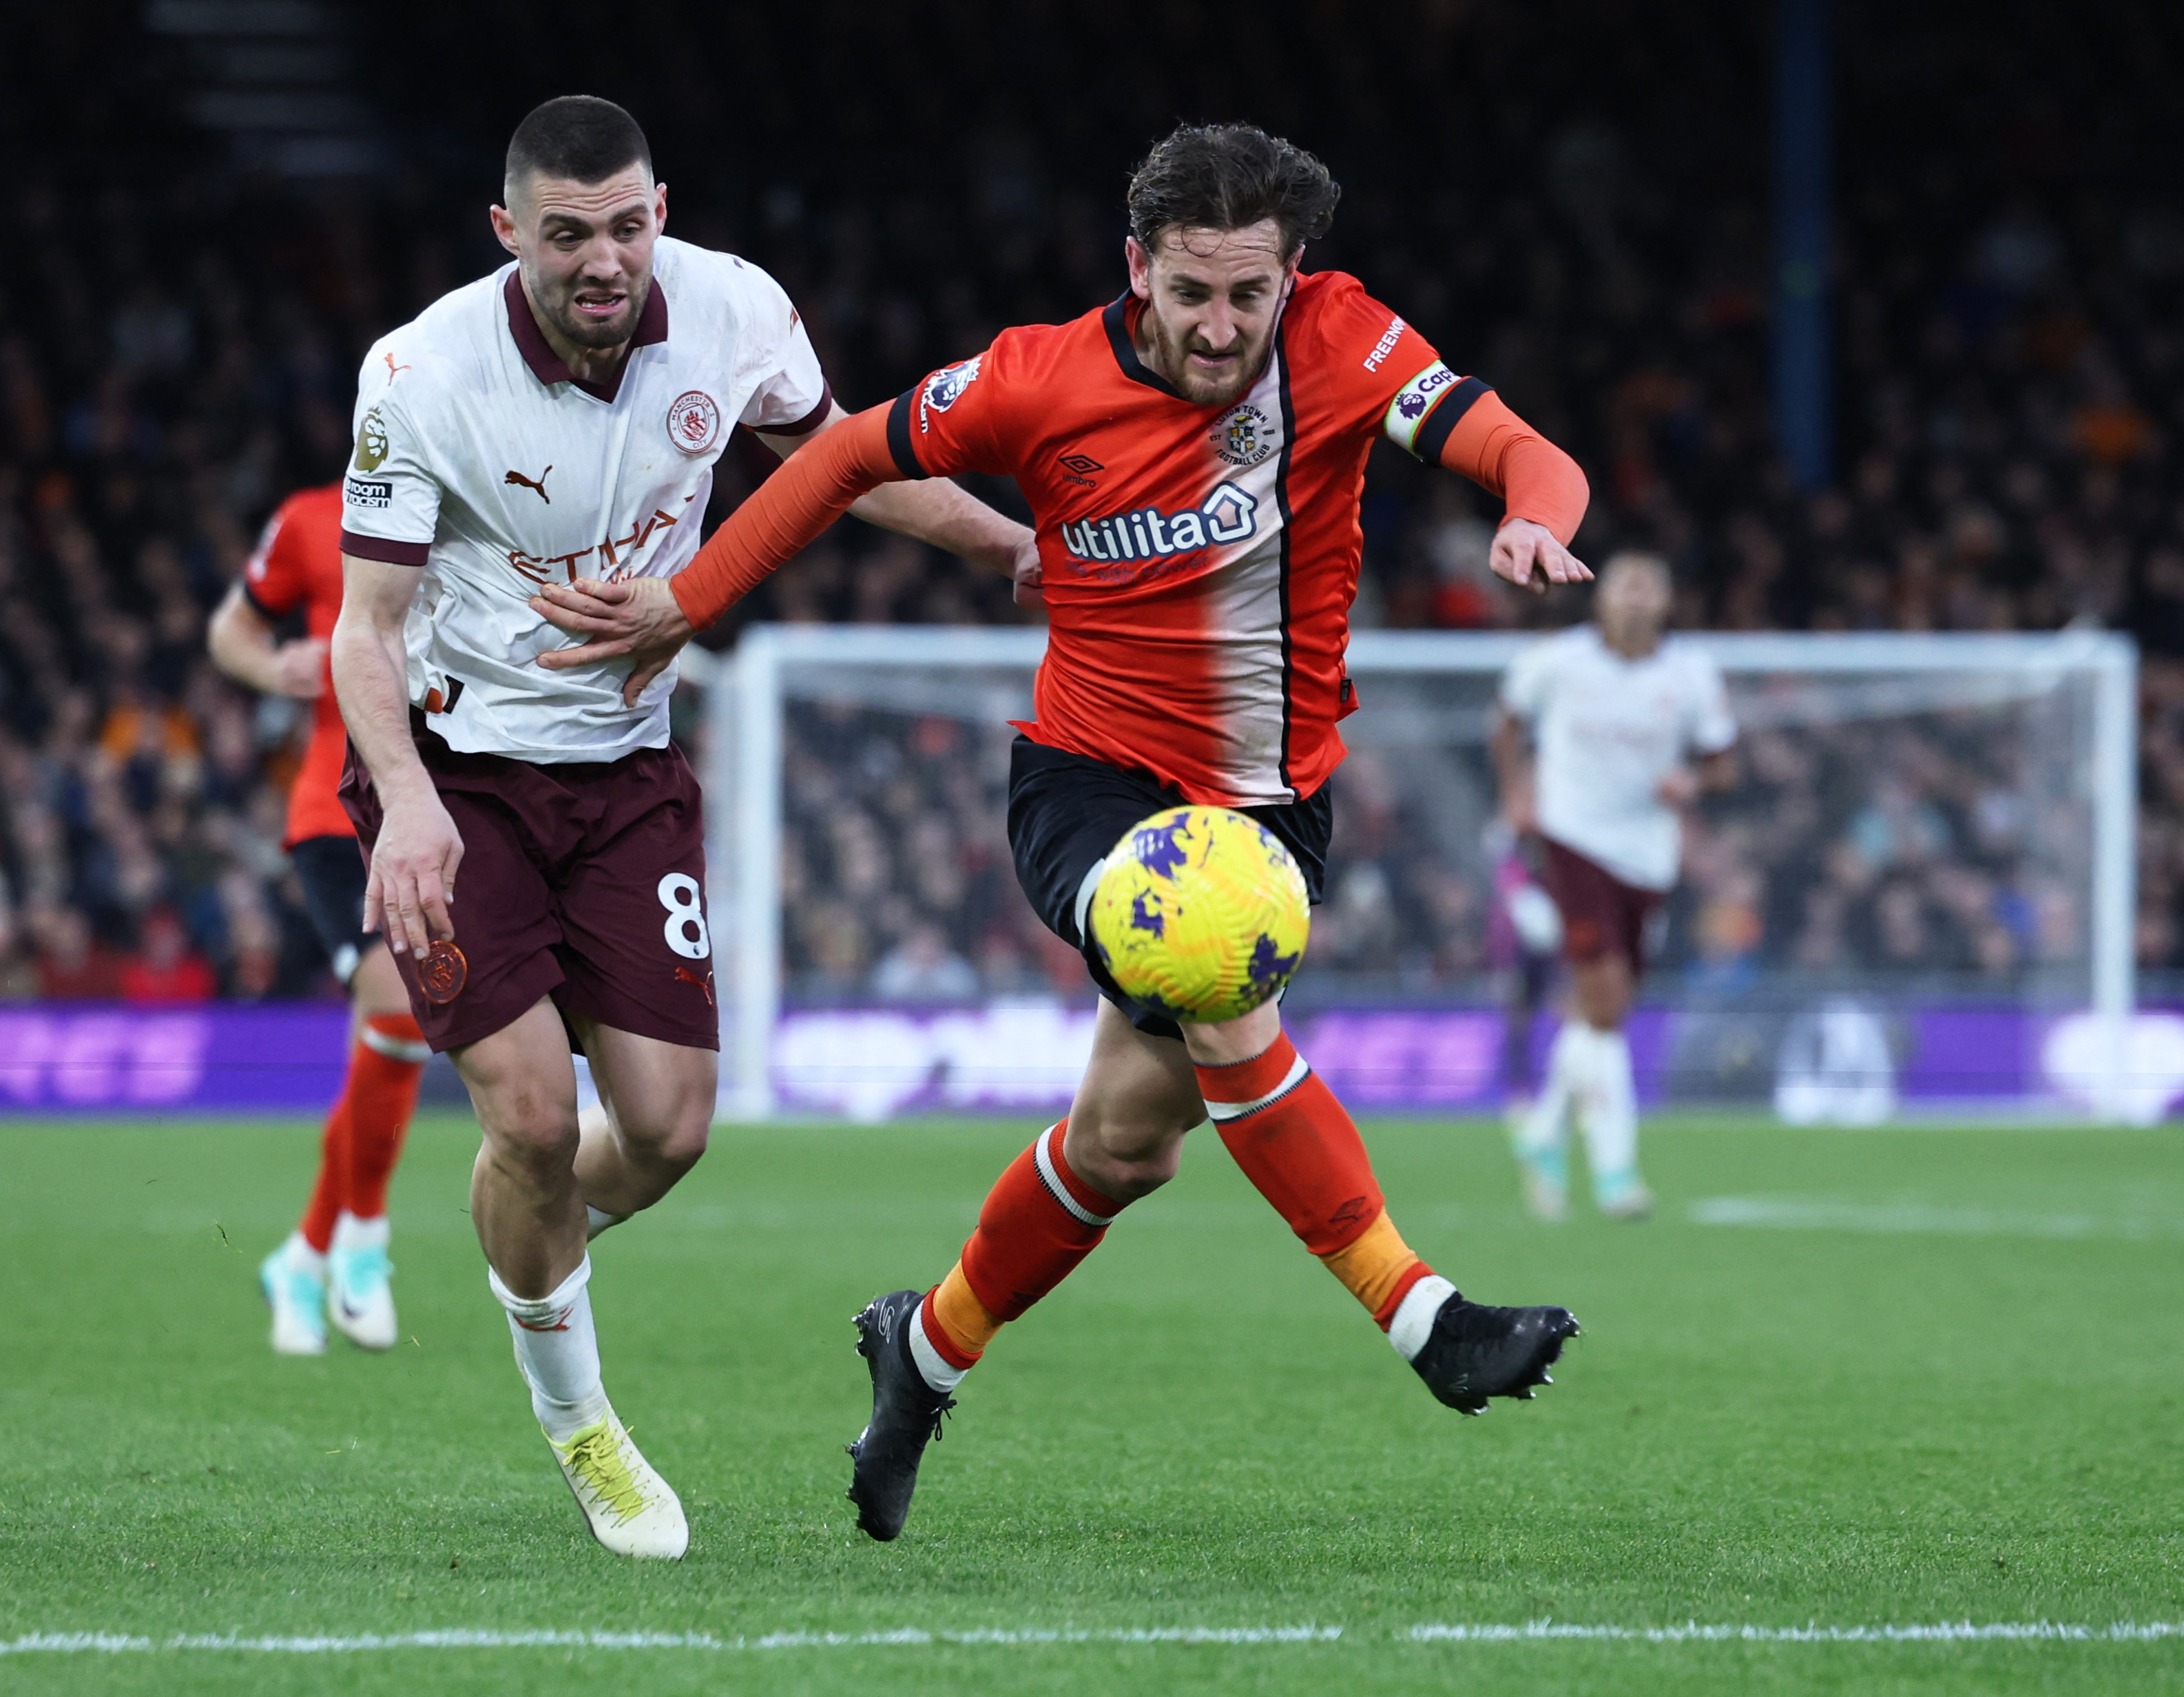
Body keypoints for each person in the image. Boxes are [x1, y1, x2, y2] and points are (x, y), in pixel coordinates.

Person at [534, 123, 1591, 1543]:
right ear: (1136, 267)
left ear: (1293, 281)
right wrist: (689, 596)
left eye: (1250, 296)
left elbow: (1522, 449)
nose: (1220, 326)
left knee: (1120, 1144)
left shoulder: (1344, 343)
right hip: (1088, 788)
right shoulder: (1036, 378)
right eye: (1193, 292)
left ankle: (919, 1351)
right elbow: (845, 453)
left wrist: (1532, 514)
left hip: (1274, 797)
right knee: (1214, 956)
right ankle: (1424, 1315)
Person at [331, 96, 1033, 1559]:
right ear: (507, 228)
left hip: (628, 767)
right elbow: (366, 626)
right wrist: (403, 806)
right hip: (464, 772)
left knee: (666, 1128)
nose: (606, 258)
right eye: (570, 231)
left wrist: (1010, 545)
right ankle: (582, 1418)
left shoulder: (733, 310)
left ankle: (528, 1254)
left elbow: (841, 461)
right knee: (528, 1114)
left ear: (664, 206)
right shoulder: (418, 372)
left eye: (629, 223)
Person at [209, 485, 431, 1355]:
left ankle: (301, 1256)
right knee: (399, 1014)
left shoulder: (477, 497)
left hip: (446, 810)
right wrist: (273, 667)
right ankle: (362, 1242)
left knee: (384, 1053)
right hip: (335, 815)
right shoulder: (310, 518)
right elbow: (230, 627)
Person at [1490, 551, 1738, 1220]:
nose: (1633, 598)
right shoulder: (1558, 661)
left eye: (1647, 586)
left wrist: (1692, 781)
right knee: (1604, 1001)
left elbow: (1720, 762)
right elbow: (1505, 722)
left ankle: (1542, 1135)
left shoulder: (1689, 675)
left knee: (1604, 1008)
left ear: (1665, 601)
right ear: (1600, 602)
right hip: (1570, 840)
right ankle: (1616, 1172)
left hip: (1646, 854)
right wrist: (1517, 792)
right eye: (1623, 585)